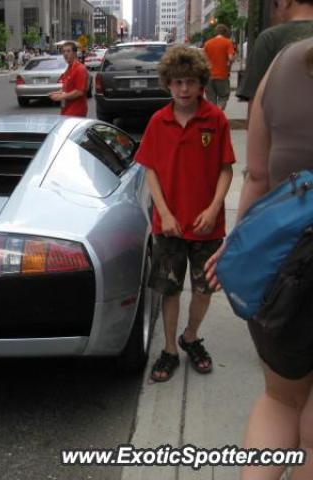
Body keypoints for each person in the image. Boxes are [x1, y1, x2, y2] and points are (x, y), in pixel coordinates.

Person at [205, 37, 313, 480]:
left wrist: (233, 248)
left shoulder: (285, 64)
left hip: (284, 265)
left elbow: (258, 177)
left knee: (279, 400)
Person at [135, 45, 235, 382]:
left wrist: (213, 207)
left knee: (204, 290)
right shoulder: (157, 121)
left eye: (190, 82)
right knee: (170, 289)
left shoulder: (215, 119)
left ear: (201, 82)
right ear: (168, 84)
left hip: (208, 225)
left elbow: (226, 169)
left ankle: (190, 337)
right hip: (170, 226)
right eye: (177, 82)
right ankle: (169, 350)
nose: (184, 89)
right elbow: (149, 170)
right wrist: (164, 212)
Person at [237, 0, 313, 111]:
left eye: (276, 3)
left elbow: (255, 100)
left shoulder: (269, 39)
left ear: (287, 2)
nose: (275, 11)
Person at [49, 41, 89, 117]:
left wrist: (62, 96)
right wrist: (57, 93)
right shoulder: (68, 69)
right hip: (66, 110)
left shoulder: (80, 69)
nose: (65, 54)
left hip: (76, 112)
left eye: (68, 51)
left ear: (74, 53)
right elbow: (67, 88)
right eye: (63, 51)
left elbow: (79, 91)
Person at [203, 24, 235, 110]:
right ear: (225, 32)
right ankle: (219, 113)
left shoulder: (207, 43)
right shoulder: (228, 42)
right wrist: (229, 64)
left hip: (209, 76)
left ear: (215, 32)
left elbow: (203, 59)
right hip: (222, 75)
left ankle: (214, 117)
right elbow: (230, 58)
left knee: (211, 99)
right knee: (223, 97)